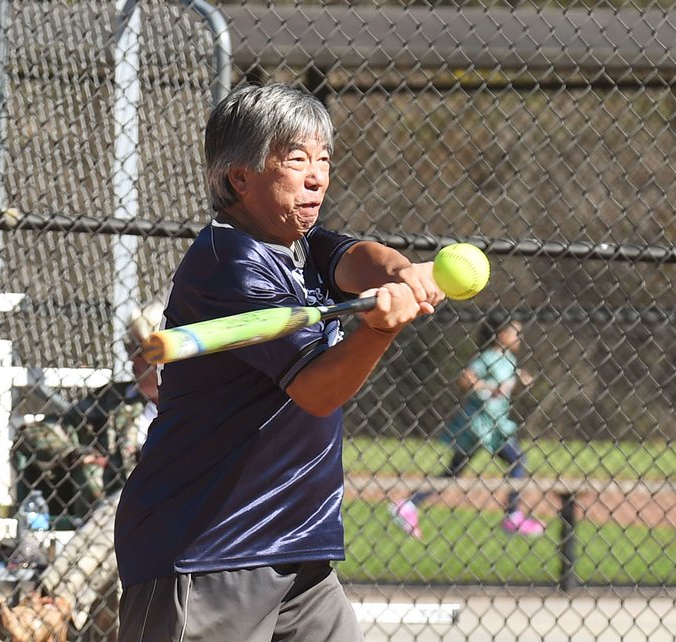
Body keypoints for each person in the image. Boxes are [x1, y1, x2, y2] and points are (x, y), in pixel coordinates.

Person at [112, 83, 443, 642]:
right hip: (207, 548)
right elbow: (315, 389)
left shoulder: (299, 243)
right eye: (295, 160)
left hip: (300, 554)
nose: (316, 176)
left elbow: (356, 257)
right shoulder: (229, 262)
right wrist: (379, 329)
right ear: (240, 177)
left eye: (323, 160)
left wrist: (401, 273)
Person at [0, 302, 164, 642]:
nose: (131, 361)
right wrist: (75, 454)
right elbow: (39, 432)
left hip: (165, 515)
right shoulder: (115, 402)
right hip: (116, 527)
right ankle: (51, 609)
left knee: (128, 509)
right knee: (121, 515)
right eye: (129, 351)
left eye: (139, 353)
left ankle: (46, 611)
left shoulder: (195, 404)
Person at [391, 310, 544, 538]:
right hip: (483, 424)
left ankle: (409, 505)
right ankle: (513, 517)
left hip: (490, 422)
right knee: (518, 459)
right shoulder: (488, 357)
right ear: (500, 334)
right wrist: (487, 388)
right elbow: (466, 378)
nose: (518, 338)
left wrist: (520, 382)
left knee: (454, 471)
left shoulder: (508, 360)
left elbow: (507, 387)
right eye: (514, 333)